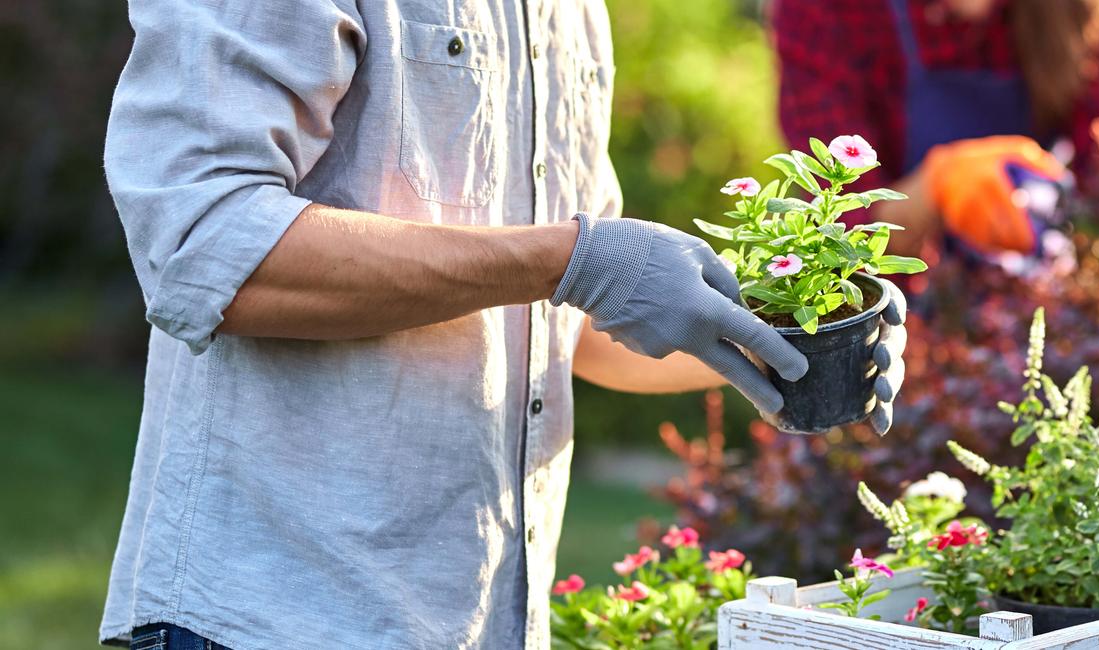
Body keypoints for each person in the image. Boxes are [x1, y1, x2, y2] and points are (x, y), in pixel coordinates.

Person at [97, 1, 906, 648]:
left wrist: (791, 343)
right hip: (278, 614)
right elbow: (203, 245)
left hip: (489, 621)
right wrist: (568, 261)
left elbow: (579, 329)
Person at [771, 0, 1099, 259]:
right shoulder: (823, 11)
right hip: (914, 319)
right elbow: (841, 227)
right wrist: (935, 187)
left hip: (1053, 277)